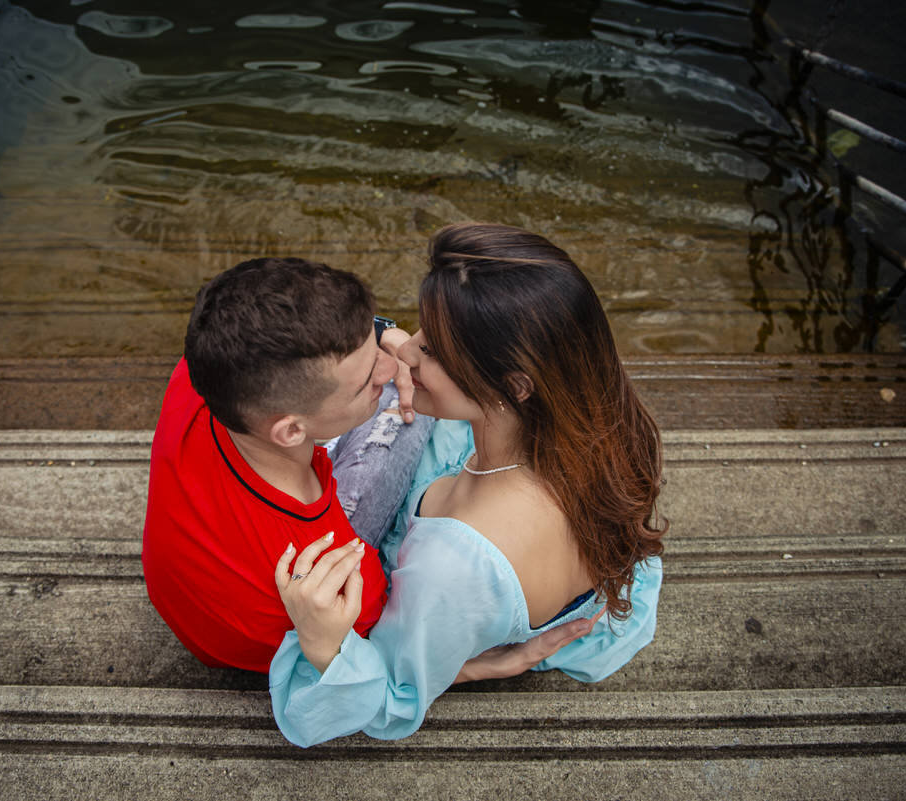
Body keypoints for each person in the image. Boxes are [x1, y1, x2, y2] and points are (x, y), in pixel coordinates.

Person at [269, 223, 668, 746]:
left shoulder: (454, 566)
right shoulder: (590, 421)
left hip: (469, 581)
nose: (402, 351)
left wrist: (323, 645)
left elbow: (389, 699)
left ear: (515, 385)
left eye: (430, 349)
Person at [141, 256, 432, 672]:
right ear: (292, 432)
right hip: (278, 615)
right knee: (416, 399)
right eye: (368, 377)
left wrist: (383, 333)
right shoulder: (337, 574)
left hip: (194, 599)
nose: (395, 361)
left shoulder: (201, 373)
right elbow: (371, 661)